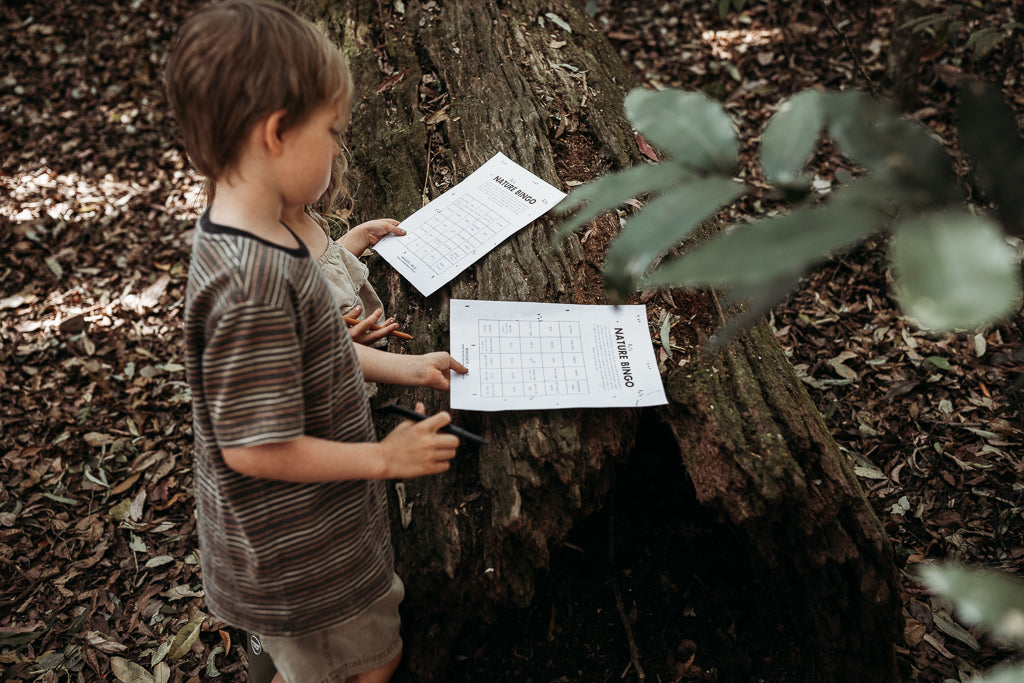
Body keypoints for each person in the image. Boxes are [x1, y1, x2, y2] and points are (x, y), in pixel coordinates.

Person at [165, 2, 468, 682]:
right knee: (370, 660)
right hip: (303, 563)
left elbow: (318, 349)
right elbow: (253, 446)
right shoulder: (254, 282)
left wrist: (409, 365)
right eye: (332, 131)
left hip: (304, 536)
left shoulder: (252, 226)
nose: (338, 147)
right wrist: (385, 460)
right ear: (275, 132)